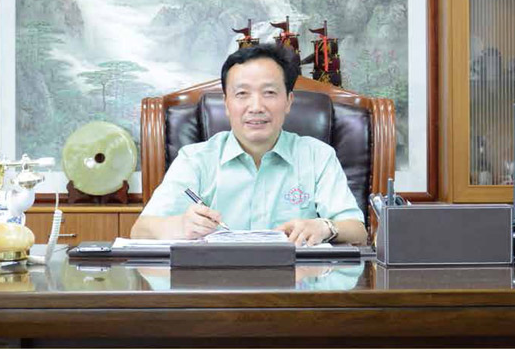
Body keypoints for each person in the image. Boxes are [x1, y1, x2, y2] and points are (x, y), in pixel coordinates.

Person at [131, 44, 367, 246]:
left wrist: (324, 227)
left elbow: (357, 230)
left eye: (269, 93)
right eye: (242, 94)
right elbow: (140, 230)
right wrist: (181, 225)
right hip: (216, 282)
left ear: (288, 101)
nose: (256, 107)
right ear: (226, 104)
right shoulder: (195, 159)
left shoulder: (317, 156)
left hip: (298, 282)